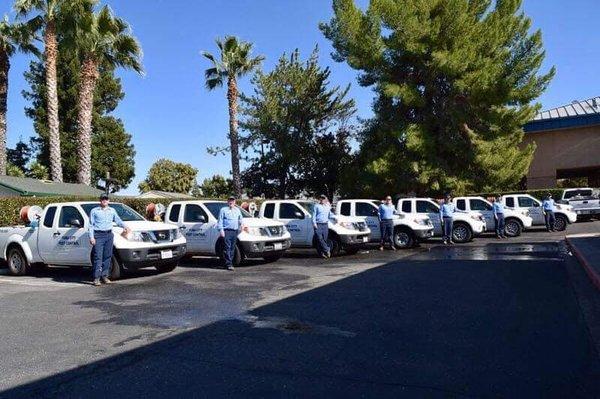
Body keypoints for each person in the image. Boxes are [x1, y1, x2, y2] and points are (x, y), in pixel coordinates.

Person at [89, 194, 130, 286]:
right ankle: (96, 278)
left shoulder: (112, 210)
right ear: (100, 200)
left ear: (108, 200)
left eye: (106, 199)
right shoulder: (94, 211)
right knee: (98, 257)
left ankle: (105, 276)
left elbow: (118, 220)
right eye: (103, 199)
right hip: (98, 235)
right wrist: (91, 237)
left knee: (107, 256)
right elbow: (91, 225)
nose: (104, 200)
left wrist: (125, 226)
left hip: (109, 235)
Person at [217, 196, 246, 271]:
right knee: (227, 247)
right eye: (230, 200)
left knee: (232, 247)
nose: (231, 202)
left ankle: (230, 262)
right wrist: (221, 230)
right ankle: (228, 264)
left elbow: (240, 219)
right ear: (227, 202)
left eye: (232, 201)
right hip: (227, 231)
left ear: (235, 202)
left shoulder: (237, 210)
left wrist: (242, 225)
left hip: (235, 231)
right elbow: (220, 221)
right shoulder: (223, 210)